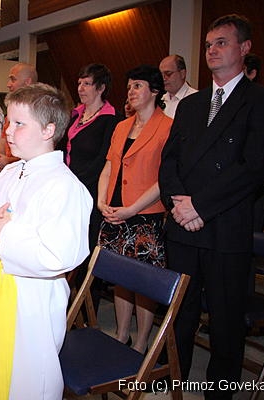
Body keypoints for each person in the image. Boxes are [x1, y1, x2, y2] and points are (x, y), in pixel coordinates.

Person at [159, 14, 264, 398]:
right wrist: (179, 204)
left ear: (244, 48)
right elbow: (169, 160)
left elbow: (253, 167)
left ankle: (219, 390)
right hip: (183, 224)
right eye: (209, 44)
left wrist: (199, 206)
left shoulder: (263, 100)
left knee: (226, 320)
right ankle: (175, 375)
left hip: (225, 225)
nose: (212, 50)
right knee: (180, 312)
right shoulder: (191, 104)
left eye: (222, 43)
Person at [0, 83, 92, 400]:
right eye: (9, 121)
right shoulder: (12, 171)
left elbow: (58, 255)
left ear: (49, 130)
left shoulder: (64, 187)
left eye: (19, 123)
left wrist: (3, 232)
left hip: (30, 297)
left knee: (24, 376)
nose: (8, 130)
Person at [97, 65, 172, 354]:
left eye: (138, 85)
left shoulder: (167, 126)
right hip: (114, 211)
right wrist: (101, 201)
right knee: (120, 278)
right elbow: (108, 167)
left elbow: (164, 179)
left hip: (144, 215)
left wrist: (132, 209)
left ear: (155, 90)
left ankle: (141, 342)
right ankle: (121, 334)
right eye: (129, 86)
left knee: (142, 281)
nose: (131, 91)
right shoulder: (121, 126)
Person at [57, 64, 120, 307]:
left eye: (87, 84)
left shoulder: (111, 119)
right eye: (79, 83)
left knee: (87, 248)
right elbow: (62, 148)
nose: (80, 88)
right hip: (67, 188)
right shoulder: (75, 114)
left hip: (90, 191)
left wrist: (74, 183)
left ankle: (85, 308)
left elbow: (103, 160)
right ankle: (64, 302)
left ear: (101, 88)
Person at [0, 62, 38, 173]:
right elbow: (3, 139)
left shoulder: (38, 111)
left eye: (13, 79)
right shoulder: (11, 112)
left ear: (27, 82)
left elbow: (36, 151)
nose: (8, 84)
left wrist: (8, 162)